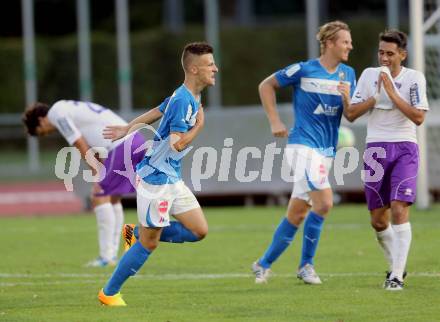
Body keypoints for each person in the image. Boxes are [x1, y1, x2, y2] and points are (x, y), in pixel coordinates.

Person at [97, 42, 218, 306]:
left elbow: (156, 111)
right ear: (195, 69)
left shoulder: (187, 95)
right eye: (210, 65)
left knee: (198, 230)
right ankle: (108, 293)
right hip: (156, 181)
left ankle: (138, 233)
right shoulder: (184, 101)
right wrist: (200, 126)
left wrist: (127, 128)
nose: (215, 69)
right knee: (151, 245)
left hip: (171, 177)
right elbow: (177, 143)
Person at [252, 21, 356, 284]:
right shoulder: (304, 69)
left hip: (326, 151)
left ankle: (262, 264)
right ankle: (306, 266)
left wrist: (347, 98)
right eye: (345, 41)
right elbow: (266, 85)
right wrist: (275, 121)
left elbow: (351, 114)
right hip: (302, 146)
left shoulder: (348, 74)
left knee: (297, 213)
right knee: (325, 203)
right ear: (330, 43)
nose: (350, 46)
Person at [342, 30, 428, 290]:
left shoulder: (414, 78)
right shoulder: (369, 75)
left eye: (390, 53)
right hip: (375, 150)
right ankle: (396, 266)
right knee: (378, 219)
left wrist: (391, 93)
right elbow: (352, 114)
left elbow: (418, 117)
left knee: (400, 207)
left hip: (404, 147)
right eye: (381, 52)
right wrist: (375, 97)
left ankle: (396, 276)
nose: (384, 58)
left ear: (402, 54)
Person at [22, 100, 146, 267]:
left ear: (40, 120)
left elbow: (79, 143)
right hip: (135, 140)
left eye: (41, 132)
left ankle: (106, 257)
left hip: (121, 145)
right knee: (113, 199)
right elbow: (96, 139)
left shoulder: (56, 113)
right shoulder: (68, 107)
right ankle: (114, 255)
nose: (46, 134)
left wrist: (97, 172)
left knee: (98, 196)